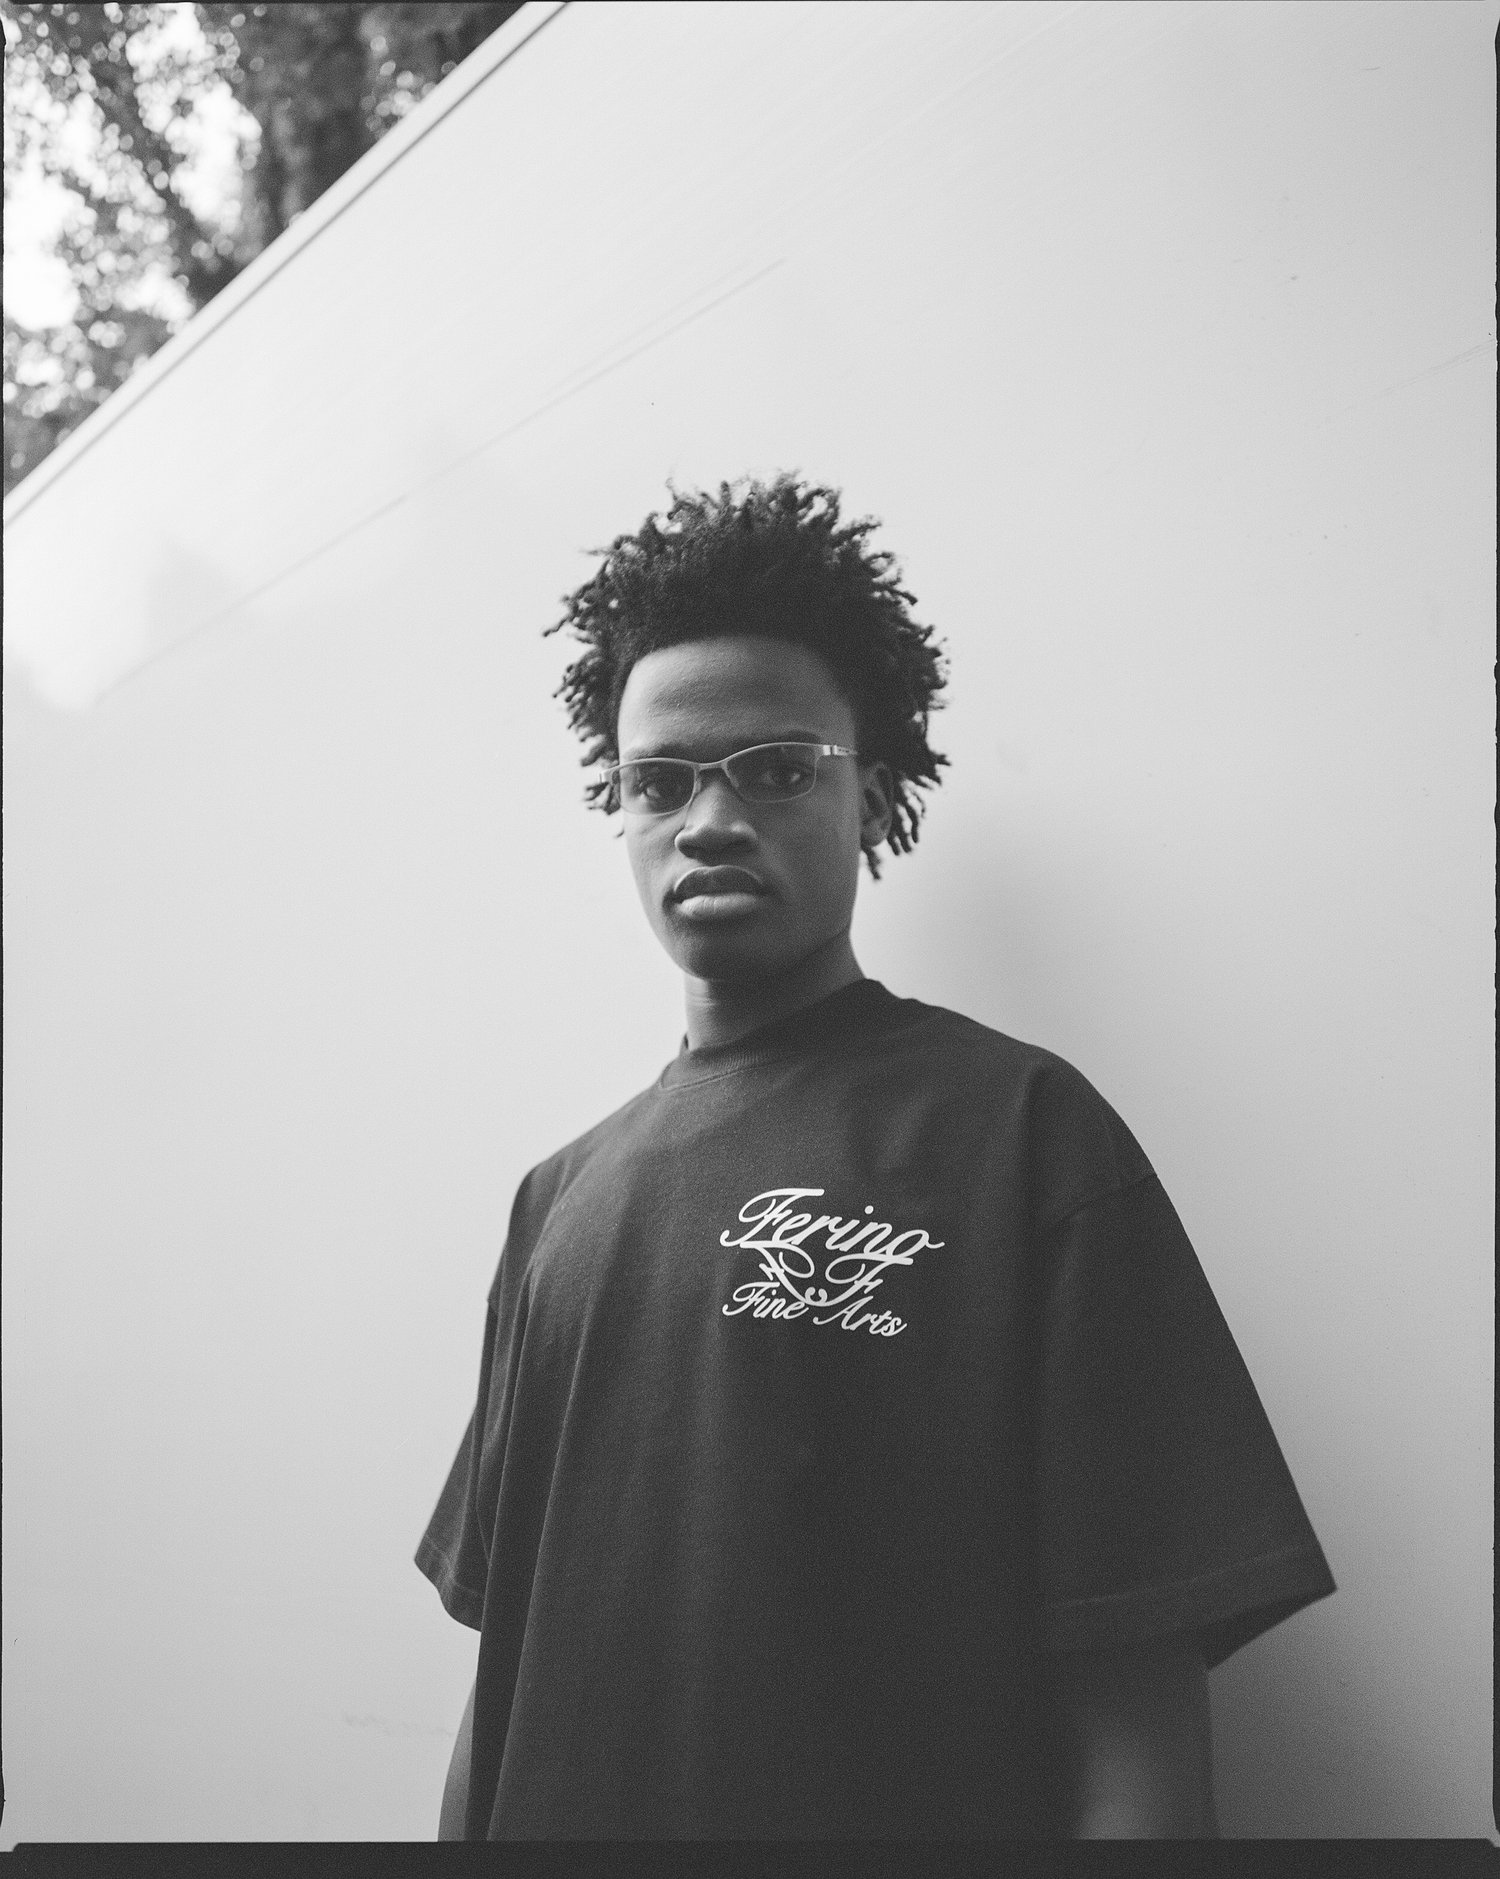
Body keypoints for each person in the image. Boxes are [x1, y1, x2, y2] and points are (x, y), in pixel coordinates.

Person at [416, 475, 1335, 1840]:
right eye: (658, 782)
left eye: (777, 769)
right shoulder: (556, 1200)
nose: (707, 821)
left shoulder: (1019, 1133)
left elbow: (1136, 1698)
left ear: (874, 796)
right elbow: (501, 1679)